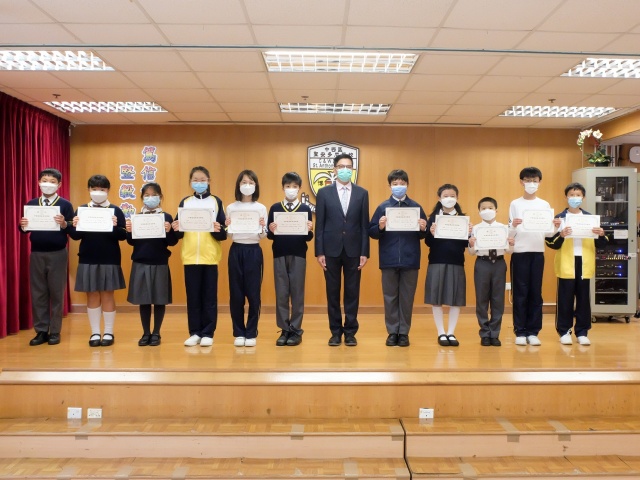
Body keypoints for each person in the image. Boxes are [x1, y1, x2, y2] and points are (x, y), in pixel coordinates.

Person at [315, 153, 370, 347]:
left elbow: (364, 225)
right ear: (334, 170)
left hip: (354, 250)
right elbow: (320, 225)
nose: (345, 170)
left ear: (352, 170)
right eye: (341, 166)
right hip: (330, 250)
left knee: (352, 292)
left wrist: (365, 252)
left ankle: (351, 332)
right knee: (332, 292)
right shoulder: (324, 193)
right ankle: (335, 332)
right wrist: (319, 252)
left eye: (348, 166)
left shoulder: (362, 193)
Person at [368, 169, 427, 347]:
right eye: (395, 184)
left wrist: (423, 227)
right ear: (389, 186)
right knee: (390, 297)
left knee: (407, 298)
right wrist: (380, 226)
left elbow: (423, 235)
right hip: (388, 259)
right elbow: (371, 232)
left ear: (407, 185)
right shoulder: (382, 207)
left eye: (402, 183)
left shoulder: (416, 207)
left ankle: (404, 333)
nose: (399, 186)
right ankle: (392, 332)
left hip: (410, 259)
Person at [545, 182, 607, 346]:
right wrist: (561, 234)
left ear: (583, 197)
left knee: (583, 299)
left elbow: (602, 244)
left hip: (584, 263)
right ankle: (564, 331)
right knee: (565, 299)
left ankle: (582, 332)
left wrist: (601, 234)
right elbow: (550, 243)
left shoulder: (590, 218)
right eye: (571, 195)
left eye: (578, 195)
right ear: (566, 197)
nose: (575, 198)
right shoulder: (559, 218)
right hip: (566, 263)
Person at [171, 166, 227, 348]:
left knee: (209, 298)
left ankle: (208, 333)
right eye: (196, 180)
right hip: (190, 257)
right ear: (190, 182)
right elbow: (178, 233)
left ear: (209, 181)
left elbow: (223, 233)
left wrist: (218, 229)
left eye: (203, 180)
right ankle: (194, 332)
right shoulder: (185, 202)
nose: (199, 183)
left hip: (210, 257)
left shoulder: (216, 202)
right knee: (193, 297)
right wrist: (176, 227)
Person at [70, 174, 127, 347]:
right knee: (92, 294)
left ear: (108, 190)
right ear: (89, 190)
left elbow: (123, 235)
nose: (98, 192)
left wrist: (115, 226)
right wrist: (74, 225)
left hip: (110, 258)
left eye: (102, 189)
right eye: (94, 189)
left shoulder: (115, 210)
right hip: (87, 257)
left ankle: (109, 332)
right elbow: (75, 236)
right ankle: (95, 332)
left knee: (108, 294)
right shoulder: (82, 209)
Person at [20, 168, 74, 346]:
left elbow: (73, 229)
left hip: (58, 253)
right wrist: (22, 225)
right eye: (44, 180)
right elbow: (24, 229)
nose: (47, 184)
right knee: (38, 293)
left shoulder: (65, 204)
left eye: (52, 181)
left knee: (57, 293)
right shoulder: (32, 203)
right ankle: (41, 331)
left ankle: (55, 331)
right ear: (38, 182)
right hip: (36, 253)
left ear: (59, 184)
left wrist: (64, 223)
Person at [508, 167, 560, 346]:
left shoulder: (544, 205)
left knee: (535, 293)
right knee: (520, 293)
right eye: (528, 180)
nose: (531, 183)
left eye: (534, 181)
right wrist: (513, 226)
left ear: (539, 182)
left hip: (538, 253)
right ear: (521, 182)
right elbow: (511, 232)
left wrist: (555, 226)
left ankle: (533, 332)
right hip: (519, 253)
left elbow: (548, 233)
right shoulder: (515, 204)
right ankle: (520, 331)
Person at [126, 183, 178, 346]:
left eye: (154, 195)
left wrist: (169, 231)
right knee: (144, 300)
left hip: (160, 263)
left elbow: (172, 242)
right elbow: (131, 242)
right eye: (146, 195)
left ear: (160, 197)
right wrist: (129, 231)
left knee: (159, 299)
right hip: (140, 262)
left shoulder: (166, 217)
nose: (150, 198)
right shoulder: (137, 217)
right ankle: (146, 333)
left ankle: (156, 333)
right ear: (142, 198)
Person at [267, 172, 314, 346]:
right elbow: (270, 235)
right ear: (283, 188)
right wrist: (271, 229)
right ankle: (284, 329)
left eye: (294, 186)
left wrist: (310, 229)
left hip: (299, 255)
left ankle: (295, 329)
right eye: (288, 186)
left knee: (297, 293)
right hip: (279, 254)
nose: (291, 189)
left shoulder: (305, 209)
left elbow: (308, 237)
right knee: (281, 293)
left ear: (299, 188)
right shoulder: (275, 208)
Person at [225, 170, 268, 347]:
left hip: (254, 250)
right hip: (236, 250)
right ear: (238, 185)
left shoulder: (261, 208)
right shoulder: (231, 208)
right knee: (236, 294)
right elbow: (229, 235)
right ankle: (238, 332)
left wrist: (263, 227)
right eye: (244, 182)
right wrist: (227, 226)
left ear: (256, 186)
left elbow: (264, 235)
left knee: (253, 293)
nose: (247, 185)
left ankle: (251, 332)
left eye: (251, 182)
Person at [425, 184, 470, 347]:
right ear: (439, 198)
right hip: (436, 261)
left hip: (456, 262)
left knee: (455, 298)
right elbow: (428, 242)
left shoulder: (463, 218)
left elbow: (466, 244)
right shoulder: (433, 218)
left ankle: (451, 332)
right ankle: (441, 332)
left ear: (457, 198)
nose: (449, 199)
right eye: (445, 196)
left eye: (452, 196)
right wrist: (431, 233)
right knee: (436, 298)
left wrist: (469, 234)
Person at [468, 197, 514, 347]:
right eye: (483, 208)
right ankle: (484, 333)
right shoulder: (475, 229)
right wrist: (471, 244)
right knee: (481, 299)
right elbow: (471, 253)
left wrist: (511, 244)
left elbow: (509, 251)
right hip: (482, 263)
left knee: (497, 299)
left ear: (496, 210)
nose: (487, 210)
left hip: (499, 263)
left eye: (490, 208)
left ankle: (495, 333)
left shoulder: (504, 228)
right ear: (479, 211)